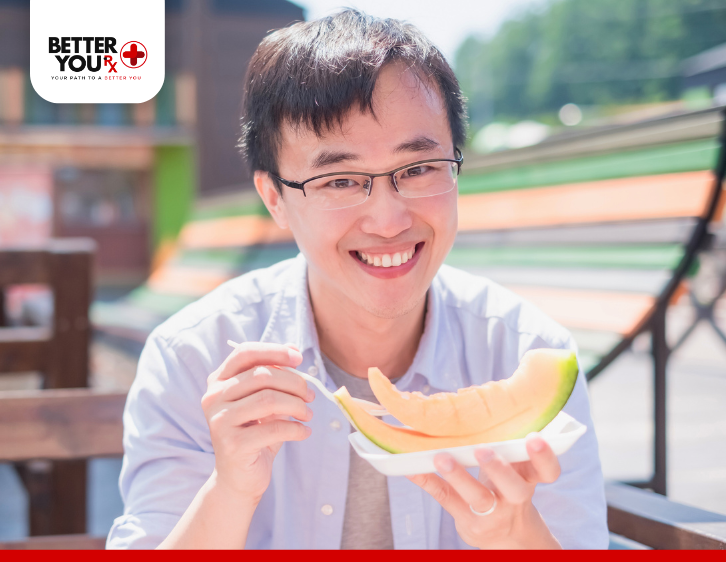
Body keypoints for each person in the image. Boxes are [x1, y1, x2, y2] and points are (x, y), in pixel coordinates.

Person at [107, 9, 608, 549]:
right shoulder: (194, 360)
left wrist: (516, 535)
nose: (388, 220)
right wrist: (230, 490)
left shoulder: (524, 349)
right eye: (340, 180)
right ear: (274, 198)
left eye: (418, 169)